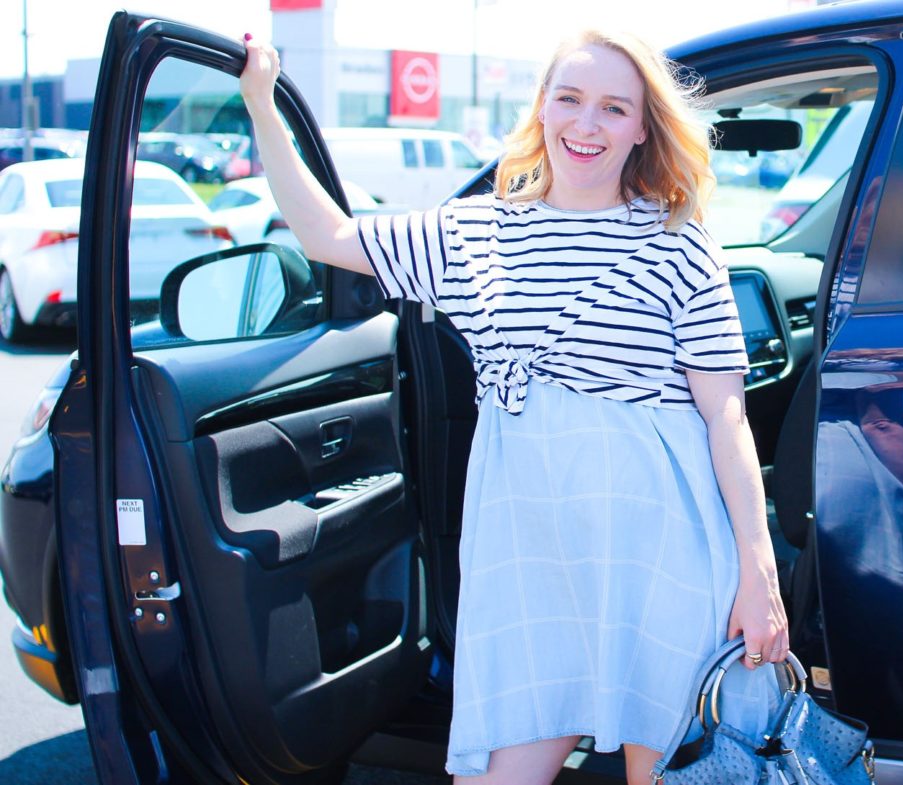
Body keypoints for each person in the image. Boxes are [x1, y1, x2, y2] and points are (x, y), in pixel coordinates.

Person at [239, 28, 789, 785]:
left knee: (667, 772)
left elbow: (725, 416)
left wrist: (757, 573)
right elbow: (327, 234)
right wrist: (261, 103)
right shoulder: (474, 234)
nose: (587, 125)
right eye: (569, 98)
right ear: (542, 110)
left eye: (613, 108)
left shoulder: (678, 240)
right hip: (530, 552)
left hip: (660, 543)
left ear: (641, 128)